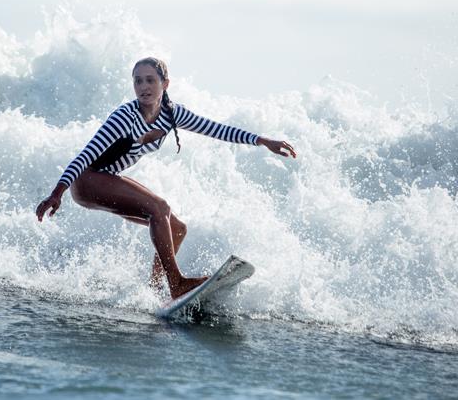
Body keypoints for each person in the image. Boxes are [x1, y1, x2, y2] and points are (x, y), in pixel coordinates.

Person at [36, 57, 296, 300]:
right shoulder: (124, 117)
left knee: (177, 228)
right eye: (138, 80)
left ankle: (155, 290)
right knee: (160, 208)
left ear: (165, 84)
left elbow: (215, 129)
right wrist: (57, 193)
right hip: (88, 181)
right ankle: (177, 283)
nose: (143, 86)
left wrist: (261, 140)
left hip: (106, 177)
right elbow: (85, 156)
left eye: (150, 80)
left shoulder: (172, 114)